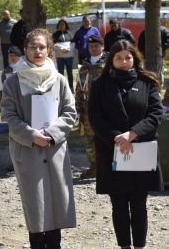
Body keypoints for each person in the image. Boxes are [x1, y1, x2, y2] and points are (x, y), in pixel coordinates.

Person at [1, 28, 77, 249]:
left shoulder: (60, 80)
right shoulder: (13, 82)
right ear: (25, 50)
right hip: (28, 151)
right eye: (33, 47)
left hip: (55, 151)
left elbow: (70, 113)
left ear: (49, 50)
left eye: (42, 47)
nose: (37, 51)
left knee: (56, 208)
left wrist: (52, 135)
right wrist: (32, 135)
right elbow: (8, 115)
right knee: (36, 211)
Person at [88, 40, 164, 249]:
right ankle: (124, 246)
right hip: (111, 150)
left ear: (134, 59)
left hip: (141, 150)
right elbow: (95, 117)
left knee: (139, 205)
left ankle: (139, 246)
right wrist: (117, 138)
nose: (124, 62)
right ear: (111, 60)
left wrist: (133, 134)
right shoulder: (100, 85)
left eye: (128, 57)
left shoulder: (146, 82)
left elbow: (155, 113)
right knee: (119, 205)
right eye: (119, 58)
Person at [75, 35, 108, 179]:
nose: (93, 48)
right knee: (90, 140)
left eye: (96, 46)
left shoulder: (109, 64)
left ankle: (107, 169)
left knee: (106, 139)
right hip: (87, 109)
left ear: (102, 47)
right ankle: (93, 168)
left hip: (104, 109)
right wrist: (77, 108)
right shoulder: (84, 66)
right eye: (91, 46)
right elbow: (79, 89)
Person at [52, 19, 74, 93]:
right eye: (60, 24)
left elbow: (73, 44)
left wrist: (69, 49)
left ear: (66, 25)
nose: (62, 26)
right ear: (58, 26)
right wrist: (61, 49)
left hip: (69, 57)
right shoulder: (55, 34)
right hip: (60, 57)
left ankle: (71, 88)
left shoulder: (69, 34)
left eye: (63, 24)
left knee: (69, 73)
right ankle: (61, 88)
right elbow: (53, 45)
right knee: (60, 73)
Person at [0, 46, 21, 112]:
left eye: (15, 55)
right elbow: (0, 90)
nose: (13, 58)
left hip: (22, 102)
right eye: (10, 55)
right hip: (9, 102)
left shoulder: (24, 70)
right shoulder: (4, 72)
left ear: (19, 57)